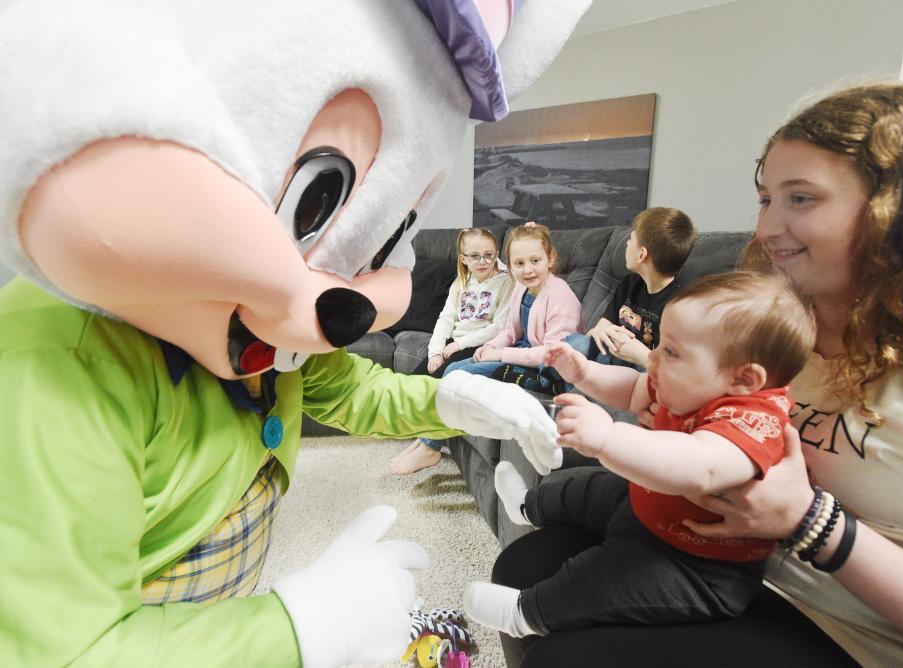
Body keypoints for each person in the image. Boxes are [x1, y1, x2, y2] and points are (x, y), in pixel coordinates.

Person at [0, 1, 590, 665]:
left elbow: (346, 389)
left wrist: (446, 401)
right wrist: (296, 629)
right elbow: (62, 649)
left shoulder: (276, 335)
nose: (344, 303)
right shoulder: (51, 362)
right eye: (313, 201)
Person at [491, 82, 903, 667]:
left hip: (849, 633)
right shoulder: (774, 327)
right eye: (766, 200)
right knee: (523, 567)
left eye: (802, 199)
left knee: (562, 654)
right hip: (718, 560)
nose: (766, 229)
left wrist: (813, 524)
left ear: (902, 211)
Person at [463, 271, 816, 638]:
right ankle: (526, 505)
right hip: (646, 507)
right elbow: (634, 390)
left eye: (672, 352)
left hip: (694, 566)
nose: (654, 358)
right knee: (590, 487)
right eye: (660, 345)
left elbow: (697, 467)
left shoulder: (754, 421)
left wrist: (607, 438)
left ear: (745, 380)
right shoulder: (688, 380)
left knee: (604, 578)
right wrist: (583, 372)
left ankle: (527, 614)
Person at [390, 227, 512, 475]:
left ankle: (431, 449)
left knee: (443, 384)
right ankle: (424, 438)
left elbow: (498, 326)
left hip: (480, 346)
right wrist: (436, 351)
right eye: (474, 255)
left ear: (496, 254)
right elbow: (445, 318)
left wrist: (458, 345)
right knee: (415, 382)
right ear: (463, 257)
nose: (482, 261)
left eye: (489, 255)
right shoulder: (462, 282)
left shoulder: (505, 282)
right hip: (454, 343)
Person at [445, 222, 584, 394]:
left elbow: (552, 354)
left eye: (535, 261)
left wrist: (501, 354)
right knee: (452, 368)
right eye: (519, 263)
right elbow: (510, 331)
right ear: (509, 266)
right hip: (520, 352)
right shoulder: (521, 287)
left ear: (550, 258)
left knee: (460, 375)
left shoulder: (560, 295)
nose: (527, 270)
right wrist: (491, 346)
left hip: (546, 366)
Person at [564, 207, 696, 369]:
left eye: (631, 239)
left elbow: (675, 368)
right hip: (610, 355)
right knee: (574, 343)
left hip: (641, 369)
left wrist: (642, 356)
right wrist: (601, 332)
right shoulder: (630, 284)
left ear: (642, 255)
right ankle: (551, 380)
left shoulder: (679, 306)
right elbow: (600, 327)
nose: (627, 242)